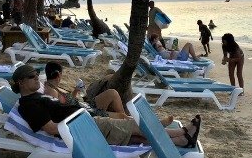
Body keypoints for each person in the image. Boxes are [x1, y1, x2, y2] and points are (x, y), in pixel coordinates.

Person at [11, 64, 201, 147]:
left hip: (86, 118)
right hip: (84, 125)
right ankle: (182, 133)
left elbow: (60, 108)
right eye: (31, 77)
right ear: (20, 82)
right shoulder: (28, 105)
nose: (37, 78)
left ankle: (181, 140)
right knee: (135, 127)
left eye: (37, 75)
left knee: (134, 138)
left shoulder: (37, 96)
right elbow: (51, 128)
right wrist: (81, 120)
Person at [43, 61, 129, 119]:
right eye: (62, 74)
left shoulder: (53, 86)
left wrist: (76, 90)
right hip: (84, 111)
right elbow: (61, 112)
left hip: (85, 105)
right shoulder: (51, 92)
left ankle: (125, 120)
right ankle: (126, 121)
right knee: (121, 116)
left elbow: (66, 101)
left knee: (112, 93)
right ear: (58, 74)